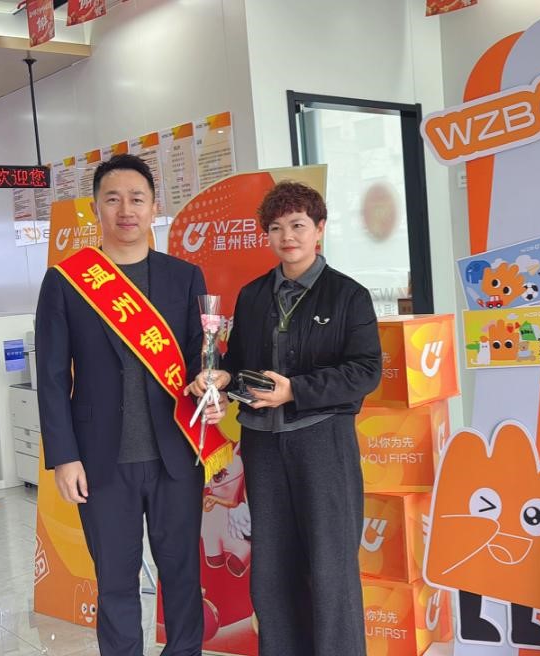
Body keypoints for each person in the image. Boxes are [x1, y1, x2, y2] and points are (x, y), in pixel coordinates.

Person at [37, 154, 224, 656]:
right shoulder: (67, 281)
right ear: (95, 208)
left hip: (175, 455)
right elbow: (51, 378)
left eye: (137, 199)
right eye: (113, 199)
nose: (126, 210)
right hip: (100, 461)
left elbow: (202, 356)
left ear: (154, 207)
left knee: (181, 573)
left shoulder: (184, 277)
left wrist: (213, 386)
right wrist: (64, 457)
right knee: (115, 582)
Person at [188, 181, 381, 655]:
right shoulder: (254, 295)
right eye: (276, 228)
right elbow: (240, 362)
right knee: (273, 570)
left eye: (297, 225)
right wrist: (221, 378)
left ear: (320, 228)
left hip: (323, 445)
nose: (287, 236)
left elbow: (365, 371)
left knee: (330, 567)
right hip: (263, 447)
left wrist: (295, 390)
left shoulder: (348, 296)